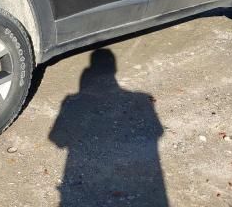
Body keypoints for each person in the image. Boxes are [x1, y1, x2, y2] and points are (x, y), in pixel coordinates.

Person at [49, 49, 168, 206]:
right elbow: (158, 131)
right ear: (114, 70)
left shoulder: (71, 101)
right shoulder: (141, 100)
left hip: (85, 177)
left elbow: (57, 139)